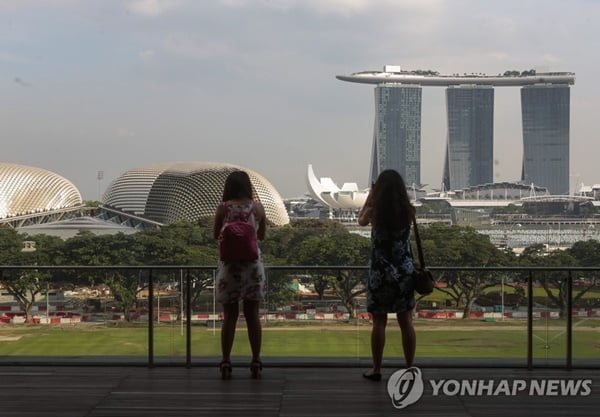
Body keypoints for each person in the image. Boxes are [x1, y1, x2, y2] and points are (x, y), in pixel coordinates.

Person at [358, 169, 416, 381]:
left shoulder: (375, 211)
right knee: (406, 321)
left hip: (380, 273)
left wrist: (370, 198)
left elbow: (360, 221)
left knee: (379, 322)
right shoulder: (408, 210)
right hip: (404, 272)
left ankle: (376, 368)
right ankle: (409, 368)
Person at [213, 170, 267, 380]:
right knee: (253, 316)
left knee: (230, 317)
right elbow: (261, 236)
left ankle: (226, 360)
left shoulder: (223, 208)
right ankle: (255, 360)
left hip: (229, 268)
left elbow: (215, 234)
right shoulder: (258, 208)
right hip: (253, 267)